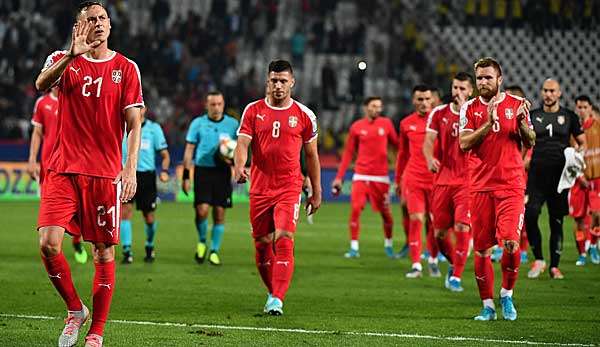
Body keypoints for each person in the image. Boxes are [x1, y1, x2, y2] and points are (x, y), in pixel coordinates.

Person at [34, 2, 143, 346]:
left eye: (102, 19)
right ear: (79, 26)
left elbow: (134, 122)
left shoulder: (126, 68)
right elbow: (40, 84)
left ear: (110, 26)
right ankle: (74, 310)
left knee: (103, 252)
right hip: (62, 167)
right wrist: (71, 54)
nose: (98, 24)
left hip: (103, 173)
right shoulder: (63, 59)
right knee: (49, 245)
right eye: (90, 19)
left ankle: (96, 332)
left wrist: (130, 166)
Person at [234, 60, 321, 316]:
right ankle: (273, 291)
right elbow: (242, 144)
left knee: (284, 237)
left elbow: (312, 156)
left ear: (292, 82)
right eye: (274, 80)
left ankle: (277, 298)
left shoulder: (305, 115)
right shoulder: (253, 110)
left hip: (289, 187)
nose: (279, 85)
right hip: (260, 188)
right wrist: (240, 166)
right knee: (262, 244)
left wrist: (316, 191)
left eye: (283, 80)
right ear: (267, 81)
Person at [459, 57, 535, 321]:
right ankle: (488, 306)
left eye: (488, 77)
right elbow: (464, 143)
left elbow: (531, 139)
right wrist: (486, 122)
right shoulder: (469, 108)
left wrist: (524, 123)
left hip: (511, 185)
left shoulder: (516, 105)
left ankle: (506, 295)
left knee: (512, 244)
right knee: (482, 250)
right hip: (480, 187)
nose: (483, 82)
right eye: (479, 77)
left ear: (499, 79)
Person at [525, 80, 585, 279]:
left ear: (559, 93)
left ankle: (554, 266)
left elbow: (582, 143)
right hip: (536, 175)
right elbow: (524, 142)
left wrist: (577, 157)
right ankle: (539, 260)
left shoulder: (569, 117)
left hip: (560, 178)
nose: (548, 94)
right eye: (545, 90)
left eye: (552, 91)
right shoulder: (533, 116)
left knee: (556, 221)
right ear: (541, 92)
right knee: (531, 214)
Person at [423, 72, 474, 292]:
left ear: (471, 91)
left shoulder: (476, 114)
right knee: (440, 234)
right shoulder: (438, 113)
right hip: (443, 180)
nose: (458, 92)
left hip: (467, 181)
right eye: (455, 88)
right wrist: (428, 157)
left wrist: (465, 112)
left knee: (463, 225)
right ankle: (454, 263)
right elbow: (428, 142)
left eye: (463, 89)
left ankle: (457, 277)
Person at [28, 86, 89, 265]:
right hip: (49, 167)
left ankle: (77, 241)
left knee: (79, 211)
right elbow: (37, 133)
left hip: (72, 165)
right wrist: (32, 159)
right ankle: (55, 247)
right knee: (53, 212)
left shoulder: (76, 99)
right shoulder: (42, 103)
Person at [332, 96, 398, 258]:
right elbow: (348, 153)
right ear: (366, 108)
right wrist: (339, 177)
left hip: (381, 177)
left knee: (386, 214)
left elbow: (398, 146)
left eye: (379, 107)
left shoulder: (387, 124)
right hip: (361, 175)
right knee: (355, 209)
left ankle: (388, 245)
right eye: (374, 106)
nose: (377, 109)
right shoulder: (356, 127)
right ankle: (354, 248)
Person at [182, 91, 239, 266]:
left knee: (220, 213)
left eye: (219, 104)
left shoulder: (233, 124)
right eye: (212, 104)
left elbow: (240, 149)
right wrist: (186, 175)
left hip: (222, 172)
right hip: (203, 171)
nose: (216, 107)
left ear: (223, 104)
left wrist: (235, 162)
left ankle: (214, 251)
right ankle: (201, 241)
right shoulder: (198, 124)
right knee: (202, 211)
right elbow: (189, 149)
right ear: (206, 105)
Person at [396, 85, 439, 278]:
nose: (423, 103)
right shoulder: (406, 123)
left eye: (426, 99)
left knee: (434, 224)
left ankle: (433, 260)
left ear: (432, 100)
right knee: (416, 219)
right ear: (414, 101)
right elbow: (402, 154)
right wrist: (398, 180)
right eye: (419, 99)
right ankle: (416, 265)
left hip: (436, 180)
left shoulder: (440, 120)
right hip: (413, 179)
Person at [120, 106, 170, 264]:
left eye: (139, 107)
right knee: (125, 212)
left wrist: (164, 170)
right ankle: (126, 250)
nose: (137, 110)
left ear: (145, 109)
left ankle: (149, 245)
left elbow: (165, 155)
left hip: (146, 177)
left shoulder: (154, 129)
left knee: (148, 217)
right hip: (126, 174)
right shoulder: (121, 126)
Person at [570, 95, 600, 266]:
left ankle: (594, 245)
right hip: (578, 181)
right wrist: (579, 176)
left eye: (584, 107)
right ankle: (581, 253)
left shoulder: (598, 127)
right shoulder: (573, 130)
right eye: (579, 107)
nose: (581, 110)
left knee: (597, 215)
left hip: (596, 179)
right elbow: (570, 157)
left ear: (590, 108)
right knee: (579, 220)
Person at [505, 85, 531, 264]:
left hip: (521, 180)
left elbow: (529, 153)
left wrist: (512, 167)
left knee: (524, 219)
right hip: (503, 179)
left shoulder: (526, 125)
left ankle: (524, 250)